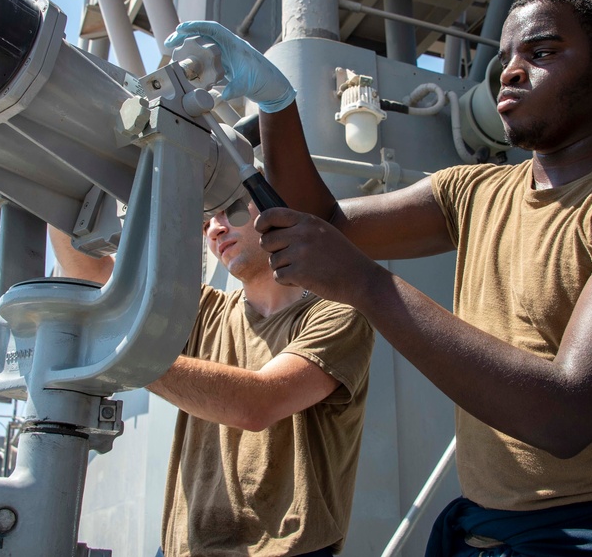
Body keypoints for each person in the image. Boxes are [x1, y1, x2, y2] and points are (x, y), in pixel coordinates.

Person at [165, 0, 592, 556]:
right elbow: (323, 218)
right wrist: (278, 102)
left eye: (542, 53)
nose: (508, 73)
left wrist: (366, 283)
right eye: (505, 58)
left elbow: (567, 414)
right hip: (484, 527)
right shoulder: (473, 190)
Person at [49, 203, 374, 557]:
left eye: (229, 210)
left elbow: (257, 403)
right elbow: (92, 271)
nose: (215, 230)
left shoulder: (340, 315)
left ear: (276, 211)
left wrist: (124, 355)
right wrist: (60, 186)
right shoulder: (204, 311)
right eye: (205, 224)